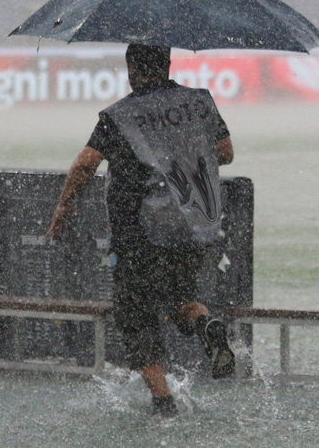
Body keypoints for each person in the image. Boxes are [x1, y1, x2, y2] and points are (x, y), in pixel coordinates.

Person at [47, 43, 235, 417]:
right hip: (196, 223)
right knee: (180, 293)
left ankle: (162, 400)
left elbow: (86, 165)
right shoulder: (199, 101)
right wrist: (178, 152)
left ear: (132, 68)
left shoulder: (121, 115)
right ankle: (204, 322)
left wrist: (63, 209)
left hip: (143, 231)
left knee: (136, 314)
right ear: (167, 64)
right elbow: (225, 152)